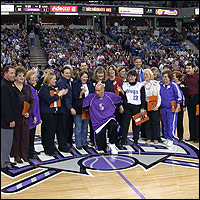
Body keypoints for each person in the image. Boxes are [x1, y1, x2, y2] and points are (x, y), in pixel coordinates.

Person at [82, 83, 124, 154]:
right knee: (100, 147)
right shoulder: (91, 97)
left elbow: (120, 101)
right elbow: (84, 106)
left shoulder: (110, 96)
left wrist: (121, 106)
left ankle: (112, 144)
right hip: (98, 123)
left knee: (114, 125)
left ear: (103, 90)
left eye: (99, 90)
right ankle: (103, 144)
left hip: (108, 118)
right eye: (96, 90)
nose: (97, 92)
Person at [38, 72, 68, 156]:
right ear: (48, 79)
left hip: (54, 112)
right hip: (46, 112)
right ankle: (49, 149)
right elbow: (49, 99)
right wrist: (59, 95)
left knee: (51, 131)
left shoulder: (53, 88)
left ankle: (50, 146)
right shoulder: (44, 88)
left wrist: (61, 95)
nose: (55, 81)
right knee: (49, 131)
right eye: (53, 79)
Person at [10, 66, 35, 163]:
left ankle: (24, 155)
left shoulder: (27, 88)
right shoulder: (12, 88)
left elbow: (32, 101)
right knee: (16, 137)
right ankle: (17, 155)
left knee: (25, 137)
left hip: (25, 117)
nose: (21, 77)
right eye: (19, 76)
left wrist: (29, 112)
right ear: (15, 77)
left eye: (23, 76)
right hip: (15, 117)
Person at [119, 69, 145, 145]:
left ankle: (136, 139)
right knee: (125, 124)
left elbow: (143, 97)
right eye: (129, 76)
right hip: (127, 106)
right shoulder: (124, 85)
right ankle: (123, 139)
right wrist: (122, 106)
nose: (131, 78)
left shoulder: (140, 86)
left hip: (137, 106)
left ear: (135, 77)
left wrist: (142, 108)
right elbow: (122, 96)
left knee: (136, 124)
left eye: (132, 76)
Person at [1, 65, 20, 172]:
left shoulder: (9, 85)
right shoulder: (4, 86)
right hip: (6, 121)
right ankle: (4, 164)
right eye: (11, 73)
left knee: (7, 142)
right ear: (5, 73)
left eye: (14, 73)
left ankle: (6, 161)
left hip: (9, 120)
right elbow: (5, 105)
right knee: (5, 143)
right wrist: (10, 119)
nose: (14, 75)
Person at [72, 70, 95, 150]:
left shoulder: (90, 84)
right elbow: (75, 97)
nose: (85, 78)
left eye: (86, 77)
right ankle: (78, 144)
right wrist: (81, 93)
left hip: (87, 110)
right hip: (78, 109)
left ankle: (84, 143)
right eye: (83, 77)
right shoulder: (75, 84)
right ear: (80, 77)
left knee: (85, 127)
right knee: (78, 127)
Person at [160, 70, 182, 149]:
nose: (164, 78)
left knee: (171, 123)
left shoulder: (174, 85)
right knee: (165, 123)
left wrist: (178, 105)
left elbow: (179, 95)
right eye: (163, 77)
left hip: (171, 108)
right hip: (163, 107)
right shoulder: (161, 85)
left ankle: (171, 138)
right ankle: (166, 137)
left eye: (166, 77)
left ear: (169, 78)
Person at [56, 65, 76, 151]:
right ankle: (62, 146)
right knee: (62, 129)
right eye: (66, 73)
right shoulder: (61, 82)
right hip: (64, 109)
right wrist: (70, 108)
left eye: (69, 73)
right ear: (62, 74)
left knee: (68, 127)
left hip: (67, 109)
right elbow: (65, 97)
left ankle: (67, 143)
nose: (68, 74)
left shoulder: (68, 81)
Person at [25, 70, 41, 159]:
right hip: (31, 115)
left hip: (34, 114)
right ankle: (29, 152)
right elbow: (31, 103)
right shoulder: (28, 88)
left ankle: (32, 150)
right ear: (28, 78)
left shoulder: (32, 87)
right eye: (33, 77)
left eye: (35, 77)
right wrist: (34, 115)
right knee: (30, 135)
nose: (35, 79)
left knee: (32, 134)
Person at [142, 69, 161, 144]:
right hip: (146, 105)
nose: (146, 76)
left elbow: (159, 95)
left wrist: (157, 105)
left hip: (155, 105)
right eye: (145, 75)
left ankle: (155, 138)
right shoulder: (142, 84)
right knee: (147, 122)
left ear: (151, 75)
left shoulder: (156, 83)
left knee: (155, 122)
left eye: (147, 74)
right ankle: (149, 137)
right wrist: (144, 99)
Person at [184, 62, 199, 143]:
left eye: (189, 68)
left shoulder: (198, 76)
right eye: (187, 68)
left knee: (197, 119)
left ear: (194, 68)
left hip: (197, 98)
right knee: (191, 118)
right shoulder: (186, 77)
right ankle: (192, 136)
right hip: (189, 99)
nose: (188, 70)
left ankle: (197, 136)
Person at [172, 71, 187, 142]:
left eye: (174, 76)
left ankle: (180, 136)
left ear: (177, 77)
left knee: (179, 121)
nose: (173, 77)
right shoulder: (171, 85)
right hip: (172, 105)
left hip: (180, 105)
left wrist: (184, 105)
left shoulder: (182, 86)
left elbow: (184, 96)